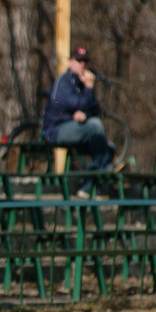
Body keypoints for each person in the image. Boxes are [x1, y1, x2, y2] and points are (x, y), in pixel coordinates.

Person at [42, 46, 115, 199]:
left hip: (76, 130)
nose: (82, 64)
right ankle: (98, 181)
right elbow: (78, 105)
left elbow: (94, 110)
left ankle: (88, 187)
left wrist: (85, 112)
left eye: (85, 61)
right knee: (95, 126)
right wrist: (89, 89)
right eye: (78, 61)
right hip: (57, 130)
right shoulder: (64, 82)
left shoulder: (83, 83)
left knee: (109, 148)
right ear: (70, 63)